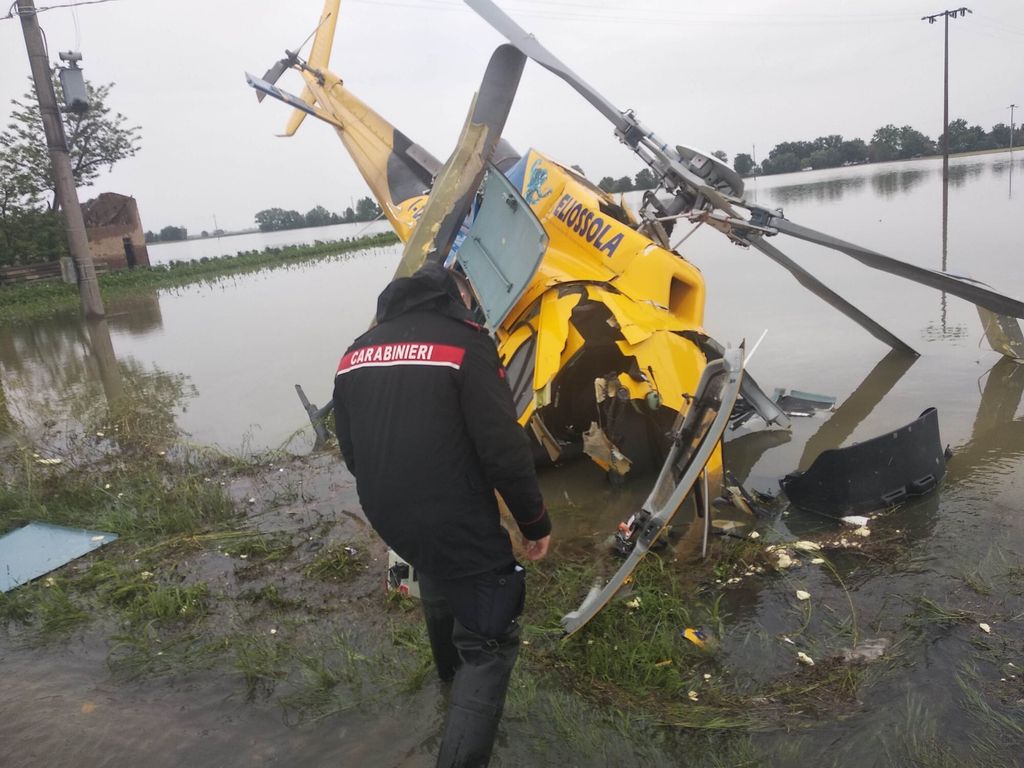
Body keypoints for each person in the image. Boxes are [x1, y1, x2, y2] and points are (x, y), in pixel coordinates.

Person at [332, 261, 551, 768]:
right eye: (470, 295)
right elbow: (503, 450)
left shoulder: (354, 353)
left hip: (386, 509)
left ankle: (450, 685)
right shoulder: (465, 342)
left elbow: (352, 452)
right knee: (491, 637)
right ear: (456, 294)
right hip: (448, 511)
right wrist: (534, 522)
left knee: (437, 569)